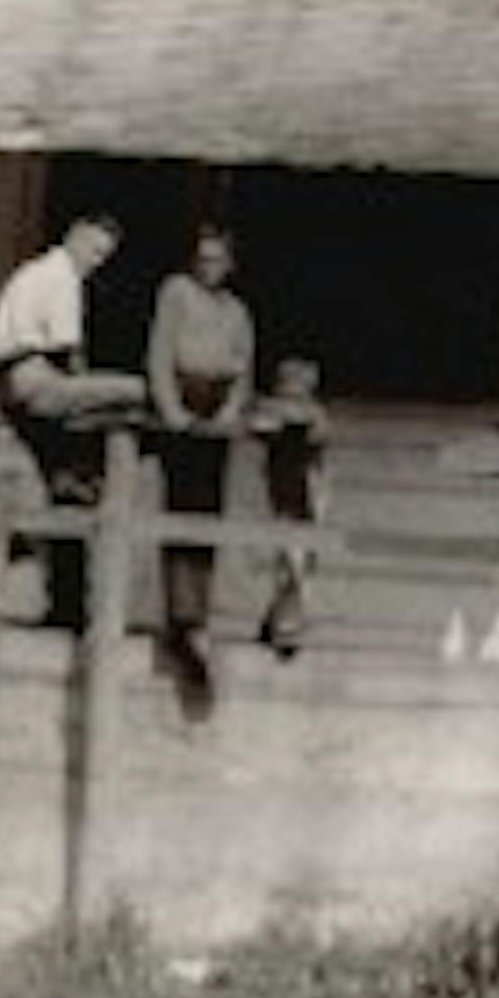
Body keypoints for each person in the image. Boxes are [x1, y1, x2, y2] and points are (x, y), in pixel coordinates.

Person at [0, 211, 147, 630]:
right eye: (94, 249)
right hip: (33, 377)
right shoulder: (61, 276)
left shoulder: (34, 271)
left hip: (13, 384)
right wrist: (90, 393)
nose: (97, 260)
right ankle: (132, 453)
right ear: (75, 236)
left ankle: (66, 603)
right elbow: (68, 355)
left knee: (67, 484)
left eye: (104, 255)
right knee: (136, 391)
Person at [146, 225, 256, 710]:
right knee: (177, 509)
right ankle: (178, 617)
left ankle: (199, 616)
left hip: (216, 410)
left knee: (206, 515)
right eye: (202, 258)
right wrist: (170, 408)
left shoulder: (236, 311)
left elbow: (243, 367)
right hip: (183, 402)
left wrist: (231, 410)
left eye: (218, 260)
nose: (209, 267)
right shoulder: (177, 292)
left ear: (230, 265)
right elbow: (160, 352)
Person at [253, 354, 334, 660]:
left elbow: (318, 434)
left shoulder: (314, 415)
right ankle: (281, 622)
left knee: (300, 563)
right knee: (286, 562)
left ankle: (287, 623)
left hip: (308, 496)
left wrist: (302, 421)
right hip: (282, 496)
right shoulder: (271, 412)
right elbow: (259, 426)